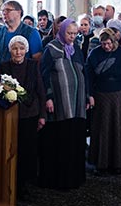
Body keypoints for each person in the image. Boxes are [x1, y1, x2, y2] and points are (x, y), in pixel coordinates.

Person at [38, 18, 87, 190]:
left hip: (77, 103)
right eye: (69, 33)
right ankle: (59, 180)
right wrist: (48, 97)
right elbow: (44, 75)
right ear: (62, 31)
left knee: (76, 140)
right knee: (61, 141)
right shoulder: (51, 48)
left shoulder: (77, 49)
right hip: (59, 103)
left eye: (75, 34)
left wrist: (87, 96)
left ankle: (76, 177)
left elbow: (83, 72)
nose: (72, 37)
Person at [0, 35, 46, 198]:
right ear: (10, 50)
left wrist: (42, 116)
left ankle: (23, 185)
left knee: (27, 151)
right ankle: (9, 183)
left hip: (30, 114)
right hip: (10, 115)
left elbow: (40, 90)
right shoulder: (3, 67)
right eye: (15, 48)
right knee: (11, 150)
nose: (18, 52)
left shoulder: (33, 65)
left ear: (26, 50)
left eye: (21, 48)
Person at [85, 28, 121, 175]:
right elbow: (89, 76)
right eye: (103, 44)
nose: (106, 46)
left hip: (118, 94)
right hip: (100, 95)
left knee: (117, 128)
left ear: (113, 41)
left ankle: (117, 162)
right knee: (102, 129)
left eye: (108, 43)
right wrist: (90, 95)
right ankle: (101, 163)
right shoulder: (95, 53)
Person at [0, 0, 42, 72]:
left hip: (21, 78)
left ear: (19, 12)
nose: (4, 13)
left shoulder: (31, 33)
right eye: (2, 11)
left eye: (8, 10)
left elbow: (37, 60)